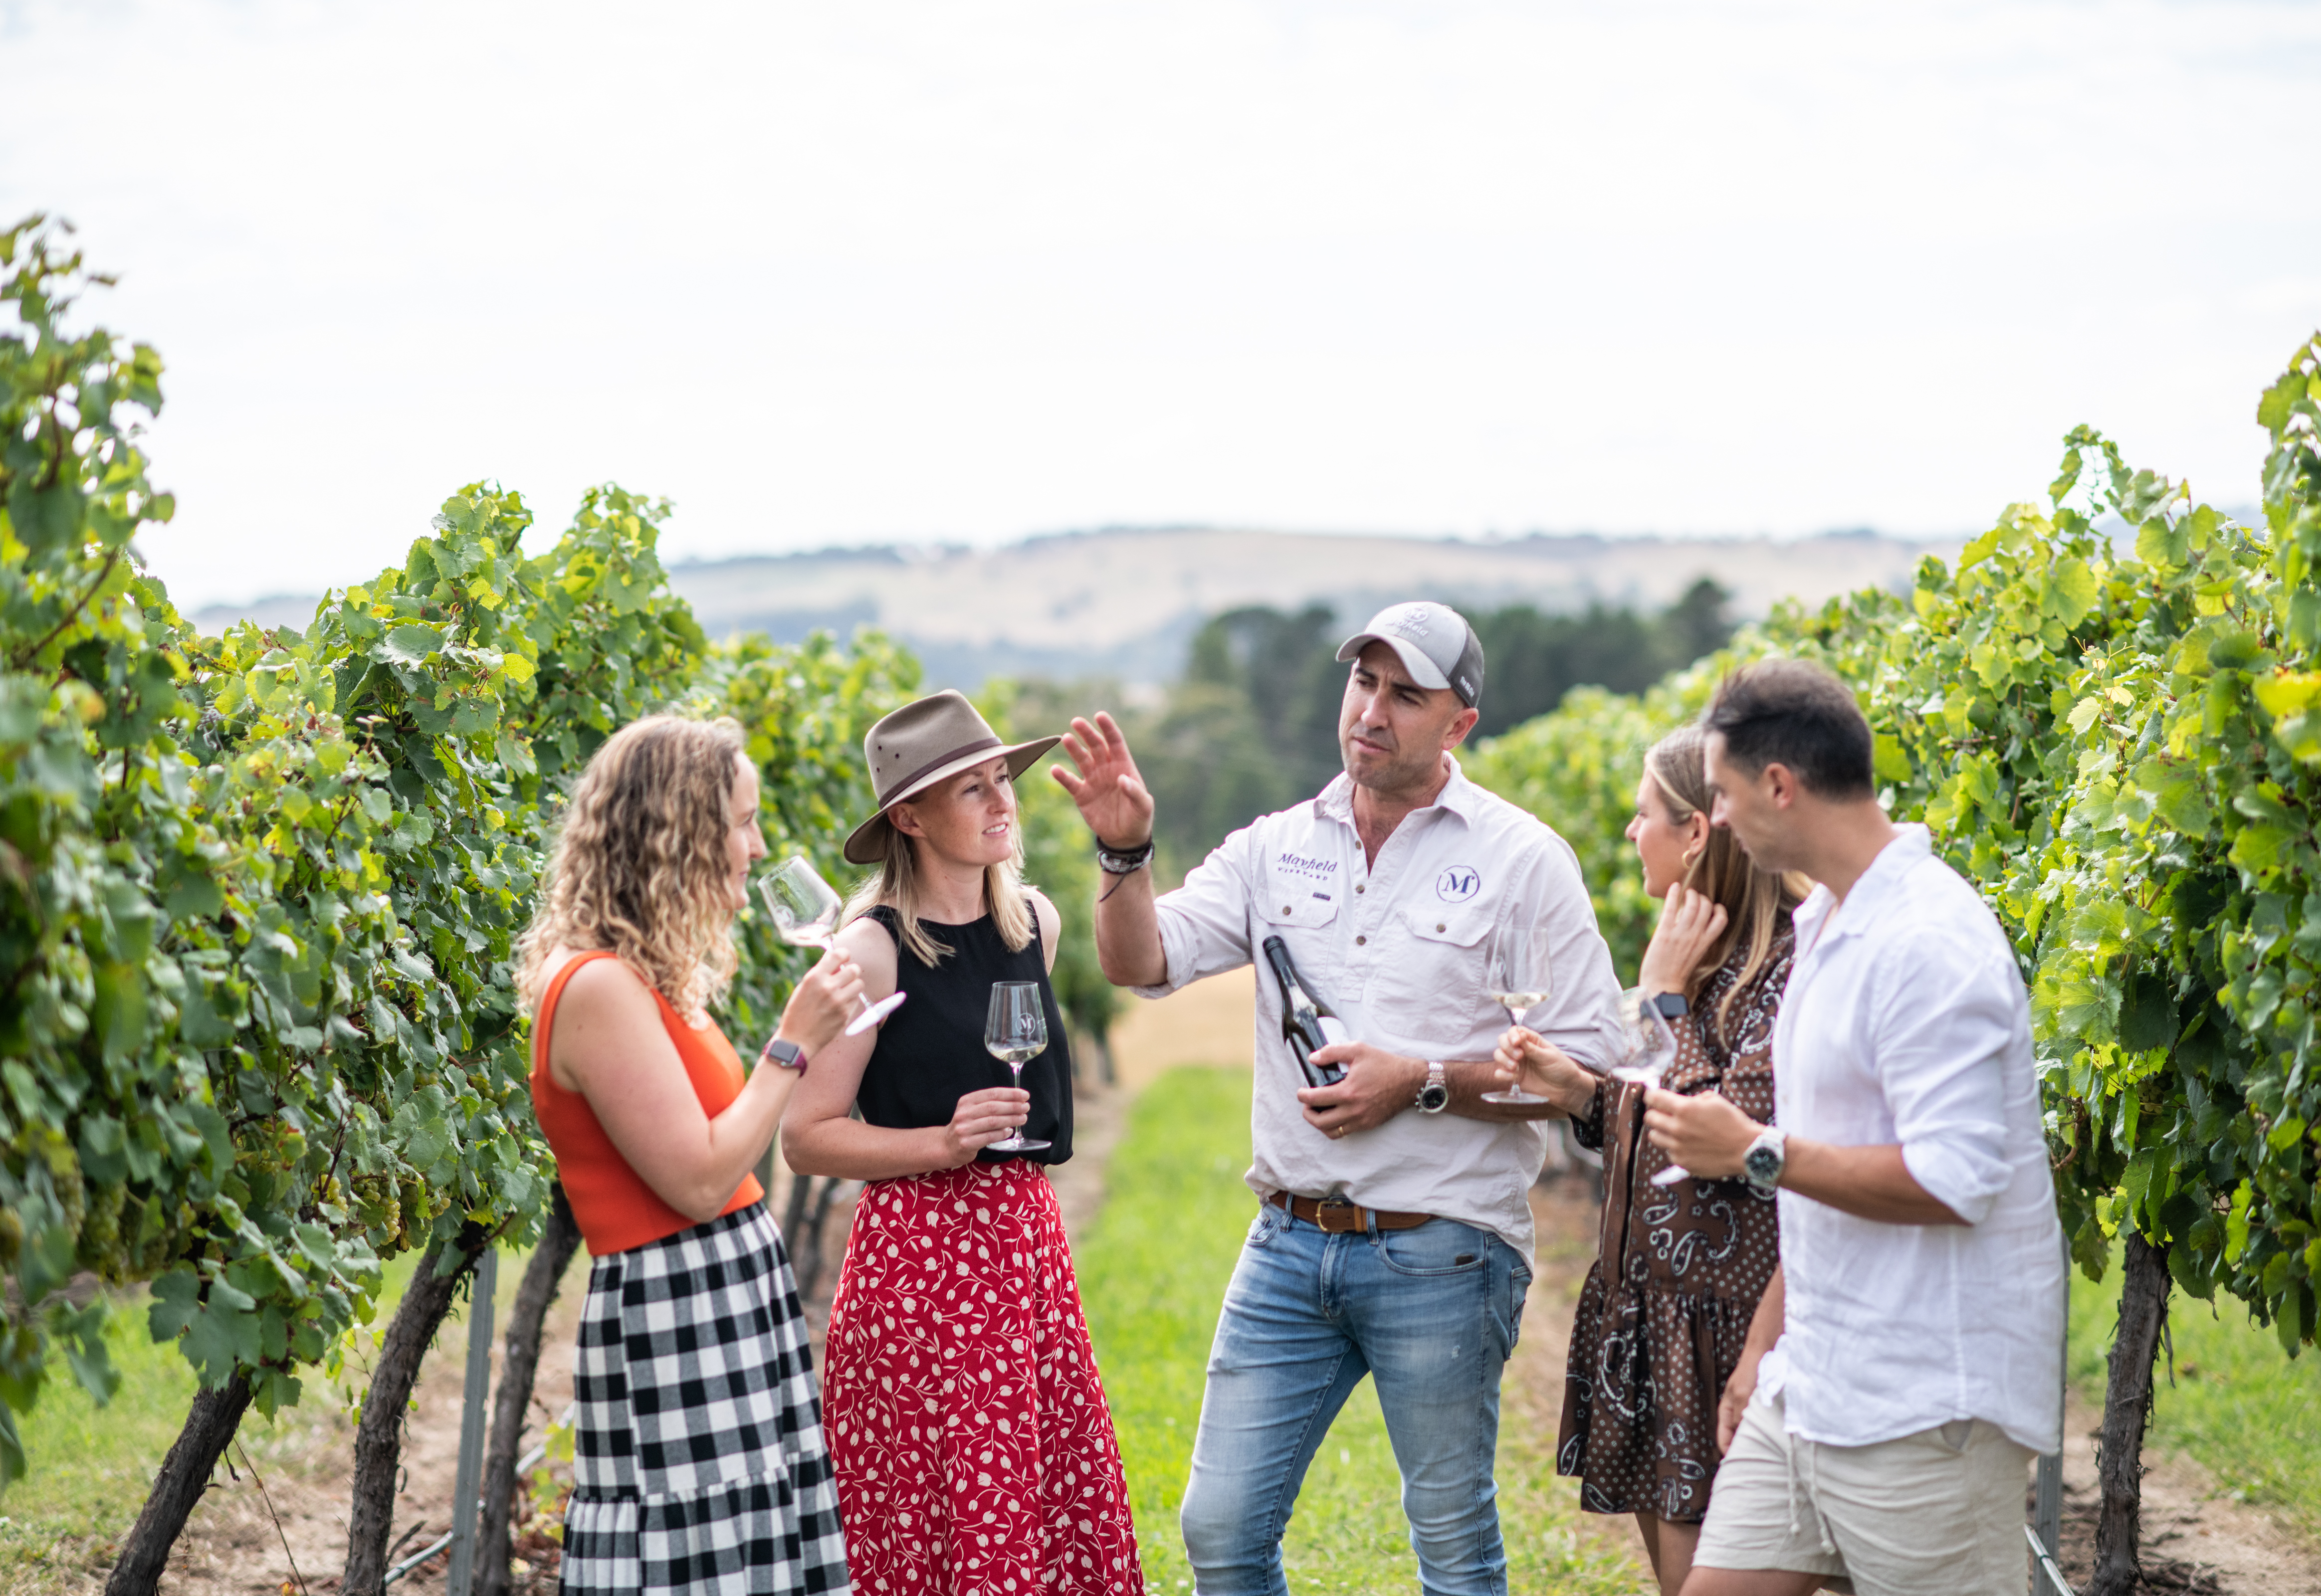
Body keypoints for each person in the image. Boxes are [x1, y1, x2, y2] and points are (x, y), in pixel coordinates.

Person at [1055, 600, 1623, 1596]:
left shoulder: (1523, 860)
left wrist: (1421, 1080)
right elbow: (1140, 959)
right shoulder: (1276, 845)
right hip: (1285, 1243)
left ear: (1460, 724)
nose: (1374, 709)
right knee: (1220, 1529)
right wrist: (1124, 855)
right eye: (1365, 682)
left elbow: (1585, 1064)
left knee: (1451, 1542)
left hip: (1444, 1247)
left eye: (1407, 694)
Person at [1639, 658, 2067, 1596]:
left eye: (1723, 791)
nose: (1718, 816)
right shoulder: (1832, 921)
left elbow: (1955, 1181)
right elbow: (1824, 1176)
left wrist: (1752, 1151)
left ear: (1780, 787)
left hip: (1925, 1412)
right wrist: (1765, 1351)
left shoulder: (1928, 942)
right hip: (1812, 1387)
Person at [780, 690, 1144, 1596]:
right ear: (909, 817)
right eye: (970, 790)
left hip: (1025, 1251)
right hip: (921, 1269)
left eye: (1001, 782)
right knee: (942, 1516)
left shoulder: (1037, 924)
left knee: (1038, 1496)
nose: (1002, 803)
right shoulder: (870, 952)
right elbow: (804, 1138)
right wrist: (941, 1143)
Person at [519, 714, 862, 1596]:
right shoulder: (595, 985)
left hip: (722, 1295)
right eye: (742, 822)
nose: (755, 846)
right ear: (679, 829)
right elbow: (703, 1177)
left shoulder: (646, 977)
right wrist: (792, 1045)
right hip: (678, 1304)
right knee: (697, 1561)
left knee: (742, 1552)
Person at [1490, 725, 1808, 1596]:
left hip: (1727, 1329)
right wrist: (1579, 1091)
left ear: (1697, 833)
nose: (1632, 834)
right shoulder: (1714, 959)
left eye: (1643, 817)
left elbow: (1722, 1135)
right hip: (1655, 1314)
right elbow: (1645, 1112)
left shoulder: (1785, 968)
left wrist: (1658, 993)